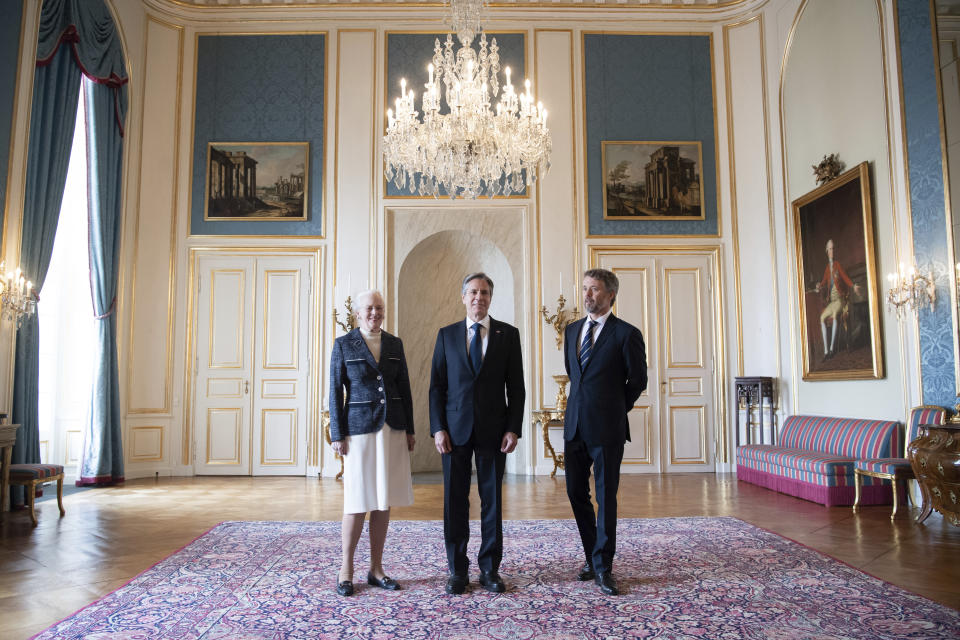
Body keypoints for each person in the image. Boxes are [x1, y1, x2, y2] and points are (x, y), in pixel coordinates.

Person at [429, 273, 525, 595]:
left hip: (494, 431)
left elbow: (518, 389)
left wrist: (513, 428)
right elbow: (436, 389)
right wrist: (438, 427)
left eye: (484, 292)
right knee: (455, 502)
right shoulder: (446, 335)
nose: (478, 298)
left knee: (492, 503)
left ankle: (489, 569)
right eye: (472, 292)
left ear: (490, 297)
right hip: (453, 433)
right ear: (463, 296)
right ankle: (457, 570)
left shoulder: (508, 335)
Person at [563, 268, 647, 596]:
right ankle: (591, 553)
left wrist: (613, 409)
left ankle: (603, 565)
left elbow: (638, 381)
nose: (588, 295)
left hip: (608, 429)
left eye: (594, 289)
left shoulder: (626, 334)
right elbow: (575, 374)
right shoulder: (571, 332)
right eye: (585, 288)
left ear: (610, 294)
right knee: (575, 492)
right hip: (575, 427)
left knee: (605, 497)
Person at [328, 290, 415, 596]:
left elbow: (404, 387)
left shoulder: (395, 343)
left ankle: (376, 569)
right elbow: (335, 392)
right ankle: (346, 568)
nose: (375, 313)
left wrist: (410, 429)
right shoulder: (343, 344)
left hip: (392, 429)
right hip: (358, 431)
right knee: (356, 500)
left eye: (379, 308)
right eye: (369, 308)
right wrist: (336, 434)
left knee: (382, 499)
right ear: (358, 313)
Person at [815, 238, 861, 359]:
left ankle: (832, 349)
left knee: (835, 314)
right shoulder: (826, 268)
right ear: (826, 251)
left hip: (840, 300)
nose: (832, 251)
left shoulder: (837, 265)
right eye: (830, 249)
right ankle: (826, 351)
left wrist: (853, 285)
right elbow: (824, 282)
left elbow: (845, 278)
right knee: (821, 318)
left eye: (833, 248)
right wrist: (819, 285)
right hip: (832, 301)